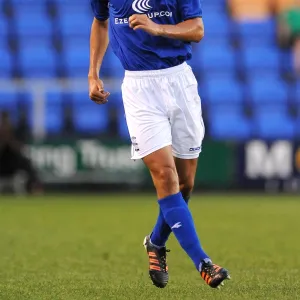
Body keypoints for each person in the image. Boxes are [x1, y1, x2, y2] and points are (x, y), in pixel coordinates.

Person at [89, 0, 230, 289]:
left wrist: (158, 28)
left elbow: (197, 29)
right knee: (166, 176)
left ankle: (155, 242)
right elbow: (101, 21)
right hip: (140, 89)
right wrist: (93, 73)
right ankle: (203, 263)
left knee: (185, 184)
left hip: (179, 81)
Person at [0, 111, 42, 194]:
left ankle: (34, 187)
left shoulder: (14, 131)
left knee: (27, 162)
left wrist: (10, 140)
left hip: (13, 163)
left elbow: (21, 147)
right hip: (1, 163)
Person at [277, 0, 300, 75]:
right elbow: (281, 25)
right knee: (298, 43)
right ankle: (297, 68)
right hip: (291, 37)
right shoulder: (288, 12)